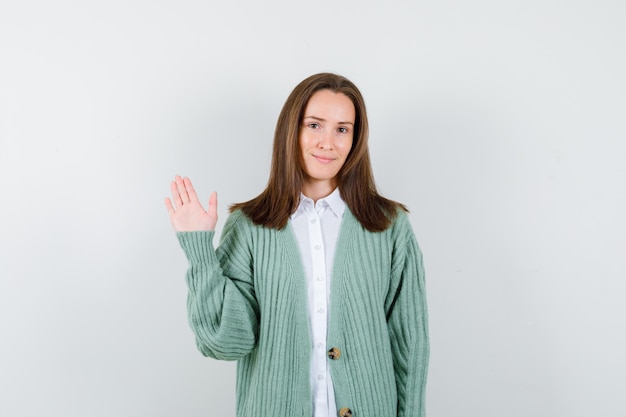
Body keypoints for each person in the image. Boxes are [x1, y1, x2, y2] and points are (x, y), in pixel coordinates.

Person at [165, 73, 429, 417]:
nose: (328, 142)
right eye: (315, 125)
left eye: (342, 129)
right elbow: (226, 341)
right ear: (292, 130)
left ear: (355, 140)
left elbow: (410, 344)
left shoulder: (389, 225)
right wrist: (199, 249)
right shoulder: (249, 227)